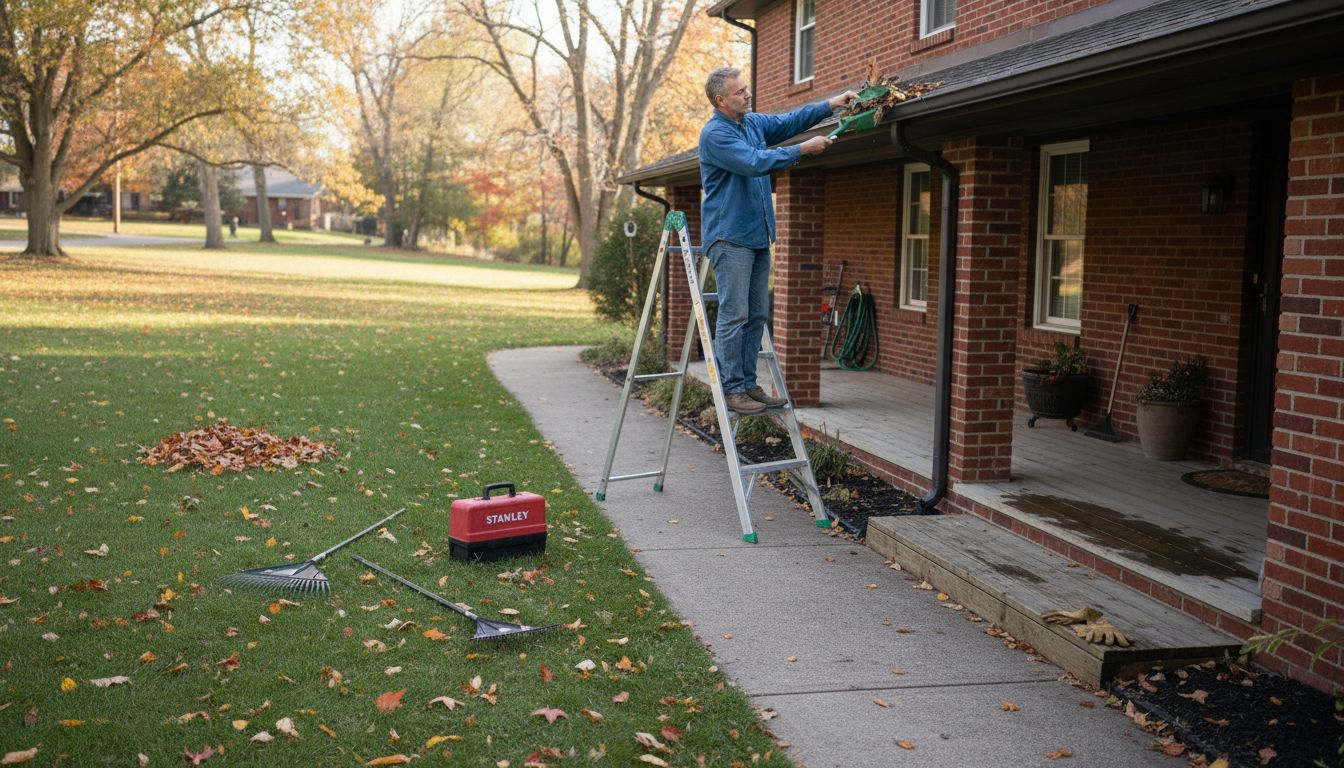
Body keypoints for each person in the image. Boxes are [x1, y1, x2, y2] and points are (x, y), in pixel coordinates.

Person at [698, 67, 855, 415]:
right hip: (730, 237)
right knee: (734, 313)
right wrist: (802, 150)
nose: (747, 95)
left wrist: (832, 104)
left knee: (756, 314)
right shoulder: (716, 135)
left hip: (756, 236)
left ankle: (748, 383)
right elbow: (755, 162)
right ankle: (732, 389)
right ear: (721, 100)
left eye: (746, 89)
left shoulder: (752, 124)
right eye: (740, 92)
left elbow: (790, 120)